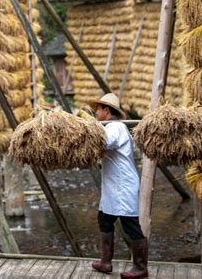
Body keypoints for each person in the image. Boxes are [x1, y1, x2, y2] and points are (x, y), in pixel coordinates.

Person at [88, 93, 149, 279]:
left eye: (98, 109)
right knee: (104, 219)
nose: (96, 112)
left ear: (107, 110)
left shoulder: (115, 127)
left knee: (130, 225)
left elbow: (104, 142)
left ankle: (141, 267)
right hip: (114, 185)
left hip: (123, 185)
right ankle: (105, 262)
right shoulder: (111, 127)